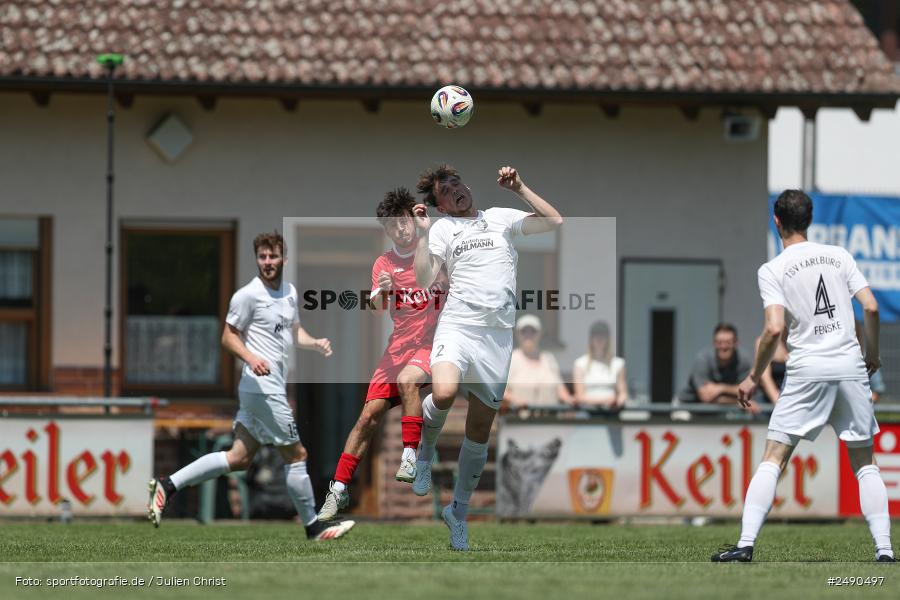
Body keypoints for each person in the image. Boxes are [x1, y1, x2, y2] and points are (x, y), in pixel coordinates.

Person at [712, 189, 894, 563]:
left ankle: (745, 544)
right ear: (808, 220)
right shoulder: (840, 256)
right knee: (865, 463)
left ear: (776, 221)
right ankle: (885, 551)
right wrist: (871, 355)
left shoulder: (773, 269)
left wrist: (752, 376)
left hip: (808, 368)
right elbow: (871, 306)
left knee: (774, 457)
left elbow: (774, 328)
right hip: (849, 367)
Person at [147, 232, 354, 541]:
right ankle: (314, 526)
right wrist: (250, 356)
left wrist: (315, 343)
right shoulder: (247, 295)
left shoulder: (290, 293)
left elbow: (294, 333)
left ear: (284, 259)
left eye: (273, 256)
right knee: (297, 455)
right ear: (256, 259)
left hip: (264, 388)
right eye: (262, 257)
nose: (267, 262)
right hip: (262, 387)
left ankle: (167, 485)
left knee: (238, 458)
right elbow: (228, 337)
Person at [412, 164, 563, 551]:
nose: (455, 190)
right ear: (441, 207)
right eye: (446, 190)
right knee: (443, 393)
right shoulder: (444, 228)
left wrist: (520, 187)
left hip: (496, 338)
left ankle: (457, 513)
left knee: (478, 433)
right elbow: (425, 279)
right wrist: (423, 235)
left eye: (456, 183)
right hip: (459, 326)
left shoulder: (499, 217)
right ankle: (422, 453)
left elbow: (553, 221)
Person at [317, 188, 446, 520]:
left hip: (430, 344)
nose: (400, 229)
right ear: (387, 231)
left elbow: (437, 268)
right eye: (393, 226)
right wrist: (384, 290)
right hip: (396, 349)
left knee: (408, 383)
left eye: (404, 222)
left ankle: (410, 456)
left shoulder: (432, 248)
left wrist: (427, 229)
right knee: (366, 418)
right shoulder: (383, 263)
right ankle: (339, 490)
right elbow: (375, 308)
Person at [677, 323, 758, 414]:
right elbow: (706, 397)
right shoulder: (703, 360)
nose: (723, 347)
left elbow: (748, 391)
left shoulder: (743, 361)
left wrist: (721, 388)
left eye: (728, 342)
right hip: (688, 408)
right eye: (719, 342)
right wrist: (736, 401)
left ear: (736, 343)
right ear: (714, 343)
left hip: (719, 411)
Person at [502, 314, 572, 411]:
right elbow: (500, 392)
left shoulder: (549, 358)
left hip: (550, 419)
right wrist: (517, 401)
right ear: (517, 334)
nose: (528, 335)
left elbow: (560, 388)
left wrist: (571, 401)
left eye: (532, 331)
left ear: (540, 334)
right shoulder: (511, 359)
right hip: (519, 420)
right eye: (524, 331)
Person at [572, 321, 627, 409]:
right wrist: (607, 400)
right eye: (596, 336)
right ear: (590, 339)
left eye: (603, 336)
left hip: (610, 414)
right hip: (587, 414)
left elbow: (623, 393)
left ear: (608, 339)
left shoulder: (618, 363)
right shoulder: (580, 363)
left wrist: (620, 401)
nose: (599, 339)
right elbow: (579, 395)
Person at [756, 334, 788, 404]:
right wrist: (779, 402)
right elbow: (765, 378)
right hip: (772, 401)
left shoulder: (799, 339)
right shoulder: (765, 340)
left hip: (796, 398)